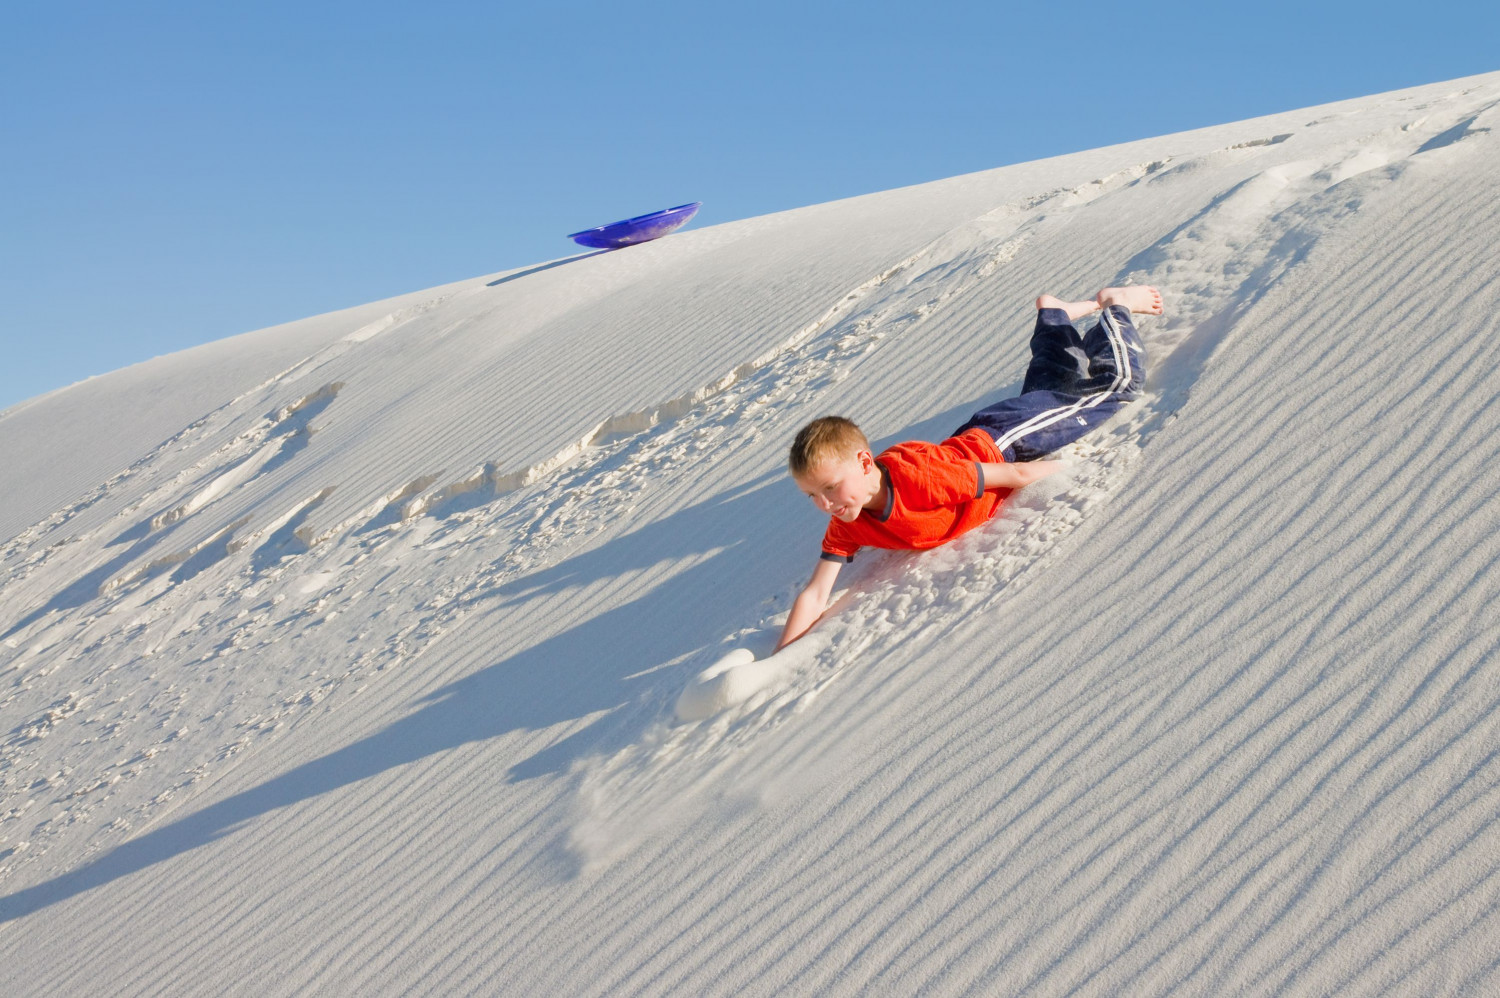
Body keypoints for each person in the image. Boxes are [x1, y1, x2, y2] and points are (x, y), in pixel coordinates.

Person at [776, 284, 1163, 650]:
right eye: (812, 495)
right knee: (1054, 384)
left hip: (1006, 443)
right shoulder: (848, 521)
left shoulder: (918, 479)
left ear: (864, 462)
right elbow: (816, 594)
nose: (825, 503)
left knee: (1114, 389)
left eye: (829, 487)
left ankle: (1116, 305)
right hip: (982, 437)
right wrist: (779, 659)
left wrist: (1080, 466)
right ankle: (1054, 316)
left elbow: (1017, 476)